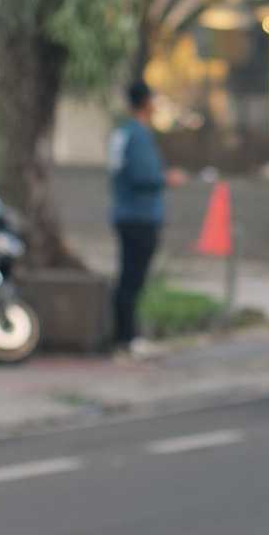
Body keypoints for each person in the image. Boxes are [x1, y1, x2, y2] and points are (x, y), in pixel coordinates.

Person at [107, 79, 168, 355]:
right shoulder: (139, 135)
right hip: (140, 216)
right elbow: (144, 176)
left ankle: (125, 335)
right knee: (133, 279)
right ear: (145, 102)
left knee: (127, 276)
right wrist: (166, 178)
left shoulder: (123, 133)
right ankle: (126, 337)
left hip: (124, 213)